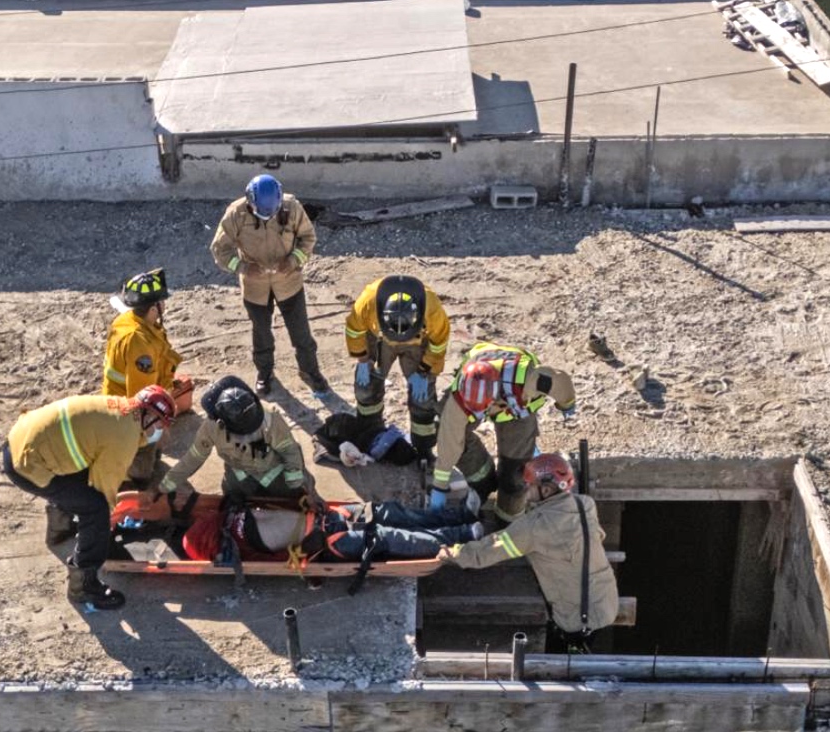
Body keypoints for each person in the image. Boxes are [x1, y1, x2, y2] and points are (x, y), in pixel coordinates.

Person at [2, 386, 176, 610]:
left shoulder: (120, 409)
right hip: (26, 465)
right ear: (149, 416)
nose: (160, 430)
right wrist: (105, 528)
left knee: (80, 484)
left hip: (19, 441)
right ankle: (83, 587)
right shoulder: (124, 437)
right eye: (160, 424)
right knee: (95, 509)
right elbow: (104, 488)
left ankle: (59, 529)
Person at [439, 454, 618, 654]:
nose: (526, 489)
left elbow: (488, 551)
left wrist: (454, 553)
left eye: (530, 485)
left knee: (563, 667)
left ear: (547, 489)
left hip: (577, 619)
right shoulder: (585, 505)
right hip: (606, 601)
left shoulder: (535, 525)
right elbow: (597, 537)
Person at [210, 174, 329, 397]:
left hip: (289, 283)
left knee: (301, 333)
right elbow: (219, 249)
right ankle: (265, 374)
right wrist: (243, 267)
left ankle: (310, 372)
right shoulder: (236, 214)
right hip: (255, 287)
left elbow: (308, 238)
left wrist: (293, 260)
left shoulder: (291, 207)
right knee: (261, 334)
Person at [431, 341, 576, 524]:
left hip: (516, 405)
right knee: (448, 429)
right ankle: (483, 481)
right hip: (481, 384)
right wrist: (439, 486)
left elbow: (560, 382)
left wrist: (567, 403)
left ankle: (507, 522)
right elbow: (449, 438)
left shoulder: (532, 381)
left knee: (515, 478)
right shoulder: (462, 395)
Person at [182, 497, 481, 563]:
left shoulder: (235, 524)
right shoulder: (236, 541)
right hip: (331, 537)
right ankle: (462, 534)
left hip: (331, 520)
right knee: (395, 534)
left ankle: (461, 521)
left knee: (392, 515)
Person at [344, 275, 451, 460]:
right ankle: (370, 433)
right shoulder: (368, 301)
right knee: (367, 386)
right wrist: (363, 359)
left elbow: (439, 343)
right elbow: (354, 330)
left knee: (423, 397)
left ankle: (423, 446)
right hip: (379, 339)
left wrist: (424, 370)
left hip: (418, 342)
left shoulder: (431, 307)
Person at [102, 268, 190, 485]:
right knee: (143, 465)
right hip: (129, 410)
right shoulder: (138, 342)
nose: (164, 305)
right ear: (153, 309)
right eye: (161, 302)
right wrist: (160, 423)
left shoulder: (128, 321)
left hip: (120, 399)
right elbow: (143, 400)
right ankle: (131, 479)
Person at [158, 375, 306, 503]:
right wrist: (165, 486)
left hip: (272, 472)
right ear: (222, 422)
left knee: (296, 492)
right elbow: (194, 457)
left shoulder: (271, 419)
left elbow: (289, 450)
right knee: (232, 504)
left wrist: (295, 485)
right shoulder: (211, 427)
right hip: (239, 476)